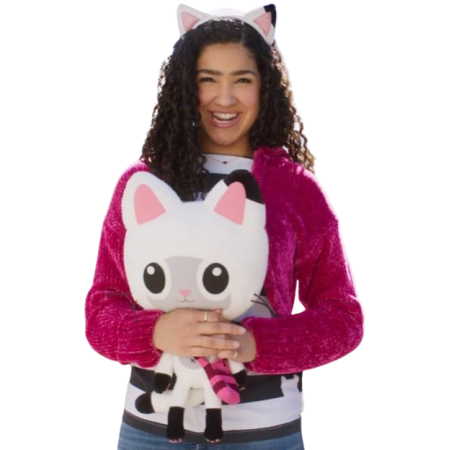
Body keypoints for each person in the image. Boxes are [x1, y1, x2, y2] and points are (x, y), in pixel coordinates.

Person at [83, 3, 364, 449]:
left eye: (242, 80)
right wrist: (154, 333)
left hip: (264, 436)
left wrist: (254, 344)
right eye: (208, 79)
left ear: (265, 86)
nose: (225, 98)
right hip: (149, 432)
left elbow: (343, 320)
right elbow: (101, 311)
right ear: (184, 86)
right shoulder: (143, 182)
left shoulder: (296, 189)